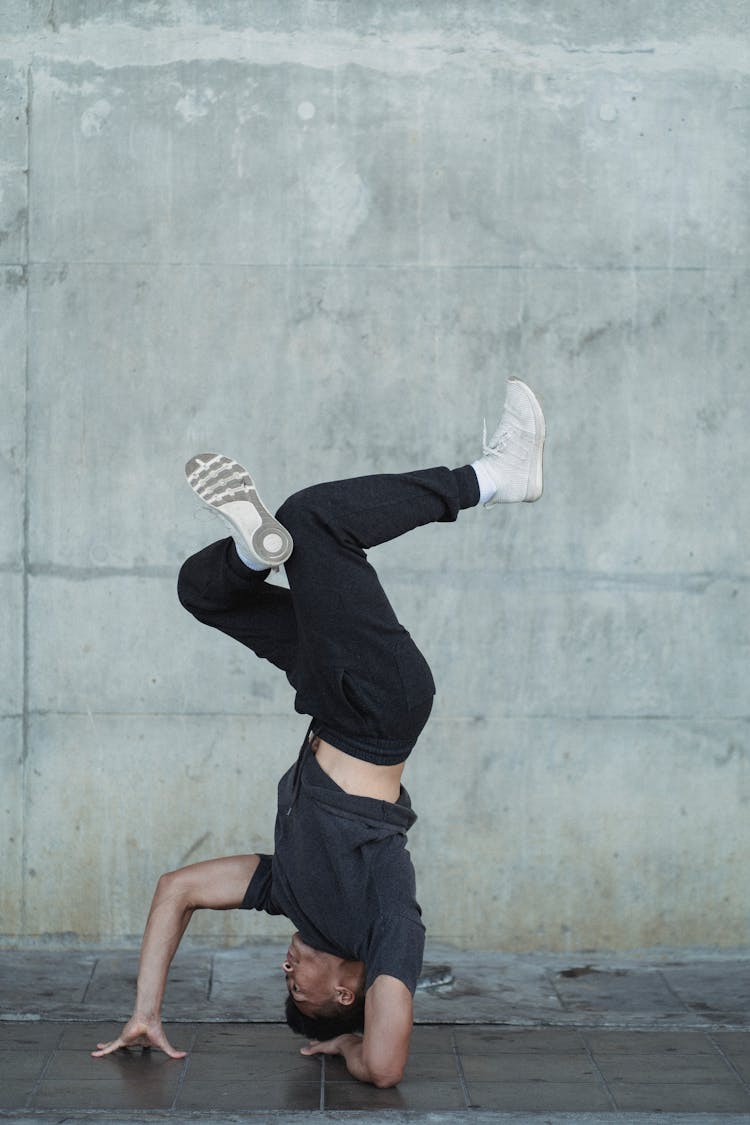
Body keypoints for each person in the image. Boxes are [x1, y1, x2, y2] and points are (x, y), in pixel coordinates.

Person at [91, 378, 545, 1086]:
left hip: (330, 698)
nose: (286, 970)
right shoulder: (385, 921)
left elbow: (174, 888)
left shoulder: (290, 894)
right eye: (296, 987)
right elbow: (388, 1065)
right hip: (380, 707)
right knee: (317, 520)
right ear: (345, 990)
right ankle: (494, 477)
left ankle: (251, 551)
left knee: (201, 589)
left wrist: (145, 1009)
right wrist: (357, 1049)